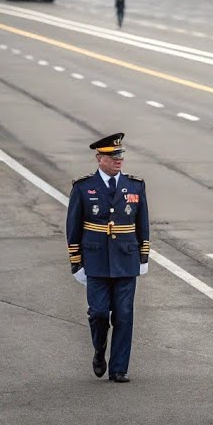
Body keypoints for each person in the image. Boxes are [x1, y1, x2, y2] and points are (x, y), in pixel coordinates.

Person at [65, 133, 149, 383]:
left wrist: (143, 257)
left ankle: (119, 368)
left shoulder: (135, 186)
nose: (118, 159)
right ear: (99, 158)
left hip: (126, 260)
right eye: (113, 156)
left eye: (120, 154)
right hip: (96, 260)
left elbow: (142, 223)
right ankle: (100, 350)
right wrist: (76, 260)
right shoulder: (83, 187)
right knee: (99, 313)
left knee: (124, 314)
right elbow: (73, 226)